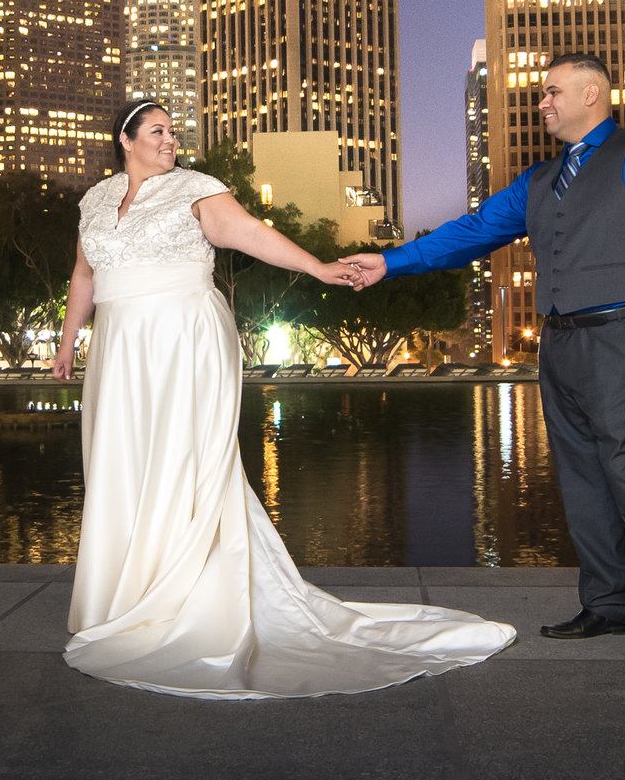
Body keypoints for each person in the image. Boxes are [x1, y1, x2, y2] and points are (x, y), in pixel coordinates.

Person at [52, 100, 517, 698]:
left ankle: (184, 593)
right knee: (121, 460)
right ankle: (127, 590)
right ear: (125, 138)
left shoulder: (195, 188)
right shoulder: (95, 200)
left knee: (181, 459)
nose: (172, 141)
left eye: (174, 131)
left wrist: (318, 268)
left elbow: (249, 234)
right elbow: (84, 277)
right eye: (159, 132)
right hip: (117, 342)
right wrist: (67, 346)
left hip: (183, 334)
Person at [345, 52, 625, 660]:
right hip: (559, 343)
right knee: (582, 477)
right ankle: (608, 605)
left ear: (593, 96)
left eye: (553, 92)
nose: (543, 103)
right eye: (541, 94)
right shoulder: (538, 182)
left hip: (623, 336)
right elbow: (471, 232)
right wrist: (391, 263)